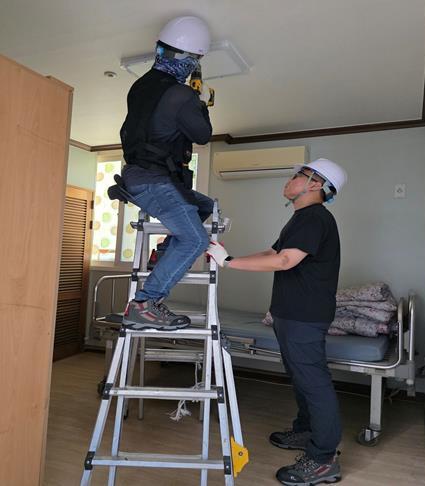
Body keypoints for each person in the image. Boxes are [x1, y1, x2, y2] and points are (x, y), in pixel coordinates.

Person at [207, 158, 347, 486]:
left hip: (304, 316)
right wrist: (228, 257)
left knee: (313, 382)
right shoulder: (301, 218)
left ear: (315, 184)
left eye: (299, 174)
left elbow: (285, 261)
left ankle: (324, 459)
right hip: (290, 313)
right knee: (301, 378)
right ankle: (306, 431)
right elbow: (272, 252)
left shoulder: (315, 217)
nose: (291, 179)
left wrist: (228, 263)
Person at [119, 16, 215, 331]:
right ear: (190, 61)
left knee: (205, 206)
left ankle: (162, 255)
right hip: (153, 180)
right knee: (195, 240)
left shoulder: (141, 86)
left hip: (142, 174)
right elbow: (202, 135)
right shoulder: (181, 95)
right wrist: (201, 104)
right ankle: (144, 305)